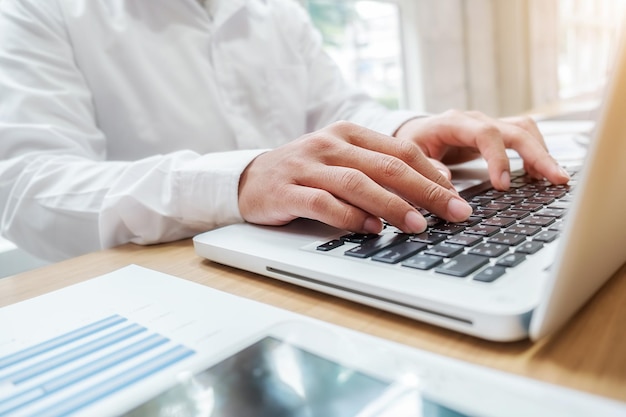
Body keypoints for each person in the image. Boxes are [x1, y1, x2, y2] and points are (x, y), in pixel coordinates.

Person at [0, 0, 569, 262]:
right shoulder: (36, 10)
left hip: (309, 257)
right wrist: (239, 180)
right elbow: (25, 185)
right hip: (156, 287)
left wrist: (413, 128)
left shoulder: (276, 12)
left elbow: (338, 108)